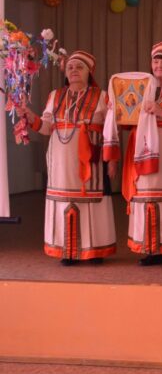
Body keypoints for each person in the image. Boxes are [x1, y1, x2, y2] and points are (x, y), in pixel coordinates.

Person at [18, 51, 115, 265]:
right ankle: (67, 250)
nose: (74, 70)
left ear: (89, 72)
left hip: (90, 161)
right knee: (62, 202)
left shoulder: (102, 96)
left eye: (79, 67)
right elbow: (45, 127)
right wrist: (30, 116)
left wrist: (112, 159)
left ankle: (94, 251)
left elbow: (111, 130)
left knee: (91, 203)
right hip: (60, 163)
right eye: (70, 67)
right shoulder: (55, 95)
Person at [105, 41, 162, 268]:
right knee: (144, 198)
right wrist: (118, 111)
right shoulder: (140, 88)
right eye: (156, 61)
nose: (159, 65)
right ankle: (150, 248)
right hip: (142, 150)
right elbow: (128, 122)